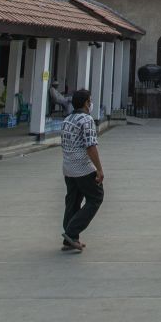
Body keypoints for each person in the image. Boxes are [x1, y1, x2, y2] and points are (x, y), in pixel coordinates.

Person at [59, 89, 103, 252]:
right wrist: (99, 169)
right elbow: (91, 146)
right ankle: (72, 232)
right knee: (96, 197)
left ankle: (70, 239)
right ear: (86, 103)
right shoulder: (86, 120)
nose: (91, 104)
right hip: (82, 167)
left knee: (73, 200)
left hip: (68, 167)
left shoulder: (67, 120)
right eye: (90, 101)